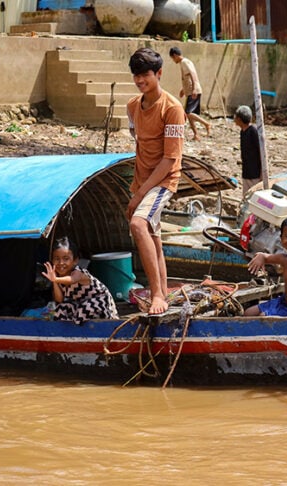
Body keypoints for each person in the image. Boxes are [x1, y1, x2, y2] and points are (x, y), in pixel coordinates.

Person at [126, 47, 186, 315]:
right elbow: (139, 144)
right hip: (142, 181)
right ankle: (161, 293)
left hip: (163, 181)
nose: (140, 81)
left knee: (138, 224)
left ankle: (158, 295)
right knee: (152, 236)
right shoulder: (131, 106)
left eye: (145, 75)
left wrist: (139, 195)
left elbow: (169, 160)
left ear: (159, 74)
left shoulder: (173, 108)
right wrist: (136, 188)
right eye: (136, 76)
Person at [245, 216, 287, 319]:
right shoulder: (284, 259)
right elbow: (266, 257)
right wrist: (261, 256)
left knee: (263, 317)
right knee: (248, 313)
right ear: (281, 239)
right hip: (283, 303)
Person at [41, 237, 119, 325]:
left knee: (85, 309)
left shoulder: (79, 272)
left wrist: (55, 279)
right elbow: (60, 299)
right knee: (60, 309)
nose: (61, 263)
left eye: (66, 259)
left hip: (99, 303)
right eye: (57, 259)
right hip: (78, 304)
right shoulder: (58, 277)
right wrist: (54, 281)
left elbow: (72, 280)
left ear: (75, 261)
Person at [168, 46, 211, 141]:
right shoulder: (183, 63)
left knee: (187, 113)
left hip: (193, 91)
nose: (173, 60)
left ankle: (206, 124)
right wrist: (183, 89)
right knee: (189, 114)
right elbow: (186, 77)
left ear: (175, 55)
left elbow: (193, 74)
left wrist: (194, 88)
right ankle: (196, 135)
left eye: (172, 58)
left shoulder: (185, 62)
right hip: (190, 91)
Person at [234, 105, 263, 197]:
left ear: (239, 119)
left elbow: (261, 151)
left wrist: (262, 171)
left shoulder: (253, 131)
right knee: (246, 195)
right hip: (247, 170)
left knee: (253, 195)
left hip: (255, 172)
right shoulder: (243, 131)